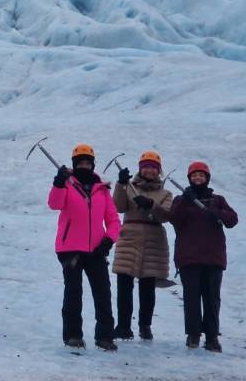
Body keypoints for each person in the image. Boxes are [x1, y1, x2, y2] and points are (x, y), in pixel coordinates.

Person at [48, 144, 121, 351]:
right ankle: (72, 335)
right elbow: (54, 204)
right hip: (70, 248)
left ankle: (105, 336)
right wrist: (59, 183)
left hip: (97, 249)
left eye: (88, 162)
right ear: (74, 164)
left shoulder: (102, 189)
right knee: (73, 292)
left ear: (93, 164)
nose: (84, 166)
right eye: (80, 162)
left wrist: (108, 240)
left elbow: (114, 220)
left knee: (103, 292)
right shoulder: (66, 184)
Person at [170, 161, 238, 352]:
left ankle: (212, 337)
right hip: (189, 258)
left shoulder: (218, 200)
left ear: (207, 178)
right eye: (194, 175)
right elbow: (174, 219)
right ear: (189, 179)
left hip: (213, 258)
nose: (198, 178)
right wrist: (186, 200)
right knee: (191, 298)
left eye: (201, 175)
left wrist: (215, 213)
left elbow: (232, 219)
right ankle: (193, 335)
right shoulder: (181, 199)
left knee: (212, 299)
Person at [111, 151, 173, 341]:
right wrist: (121, 185)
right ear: (140, 168)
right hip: (129, 237)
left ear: (158, 171)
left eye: (153, 168)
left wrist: (151, 204)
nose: (149, 170)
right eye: (146, 166)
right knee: (124, 284)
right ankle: (123, 326)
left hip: (153, 239)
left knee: (147, 286)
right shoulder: (129, 187)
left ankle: (145, 326)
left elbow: (166, 216)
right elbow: (119, 207)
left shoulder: (165, 194)